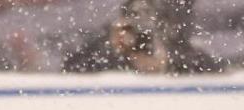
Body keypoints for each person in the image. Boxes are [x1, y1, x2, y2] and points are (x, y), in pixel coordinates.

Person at [63, 0, 225, 75]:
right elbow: (69, 71)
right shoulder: (98, 58)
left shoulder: (193, 61)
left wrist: (164, 63)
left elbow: (217, 75)